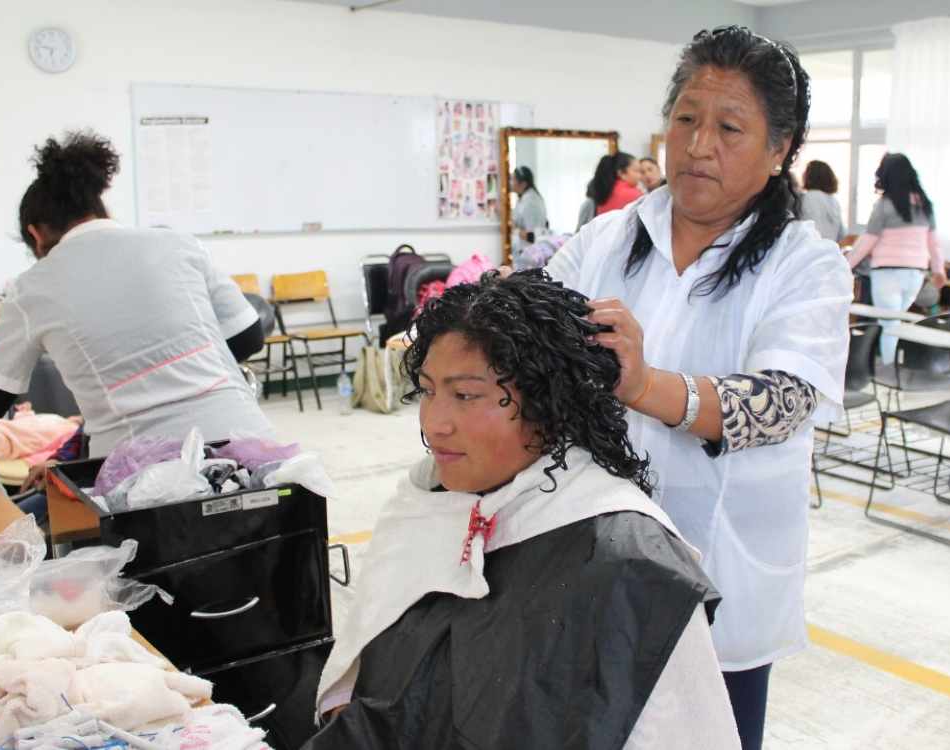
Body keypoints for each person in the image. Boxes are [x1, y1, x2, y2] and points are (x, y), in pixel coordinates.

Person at [546, 26, 851, 750]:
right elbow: (537, 330)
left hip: (723, 571)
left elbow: (780, 403)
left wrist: (649, 385)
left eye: (728, 127)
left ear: (779, 151)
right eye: (685, 118)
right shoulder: (608, 238)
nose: (696, 144)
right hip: (589, 562)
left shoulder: (804, 265)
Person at [307, 270, 741, 750]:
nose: (434, 424)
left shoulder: (629, 562)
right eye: (428, 391)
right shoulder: (419, 505)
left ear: (549, 402)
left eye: (466, 395)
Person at [0, 130, 273, 458]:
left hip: (143, 471)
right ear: (102, 211)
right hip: (250, 446)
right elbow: (248, 336)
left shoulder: (32, 287)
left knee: (36, 510)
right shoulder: (175, 243)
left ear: (35, 234)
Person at [844, 152, 945, 362]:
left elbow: (867, 242)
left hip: (887, 274)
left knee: (889, 326)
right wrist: (938, 270)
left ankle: (890, 371)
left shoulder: (884, 205)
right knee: (896, 324)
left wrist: (845, 266)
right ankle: (895, 366)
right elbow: (934, 243)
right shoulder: (925, 205)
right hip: (915, 274)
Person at [798, 160, 845, 243]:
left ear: (810, 177)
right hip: (828, 250)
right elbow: (841, 234)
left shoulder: (807, 197)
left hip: (810, 250)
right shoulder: (834, 201)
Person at [509, 166, 548, 267]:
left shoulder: (531, 202)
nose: (510, 182)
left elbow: (532, 235)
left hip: (530, 254)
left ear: (523, 183)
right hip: (524, 252)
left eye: (513, 179)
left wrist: (514, 230)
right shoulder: (523, 199)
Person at [590, 152, 644, 216]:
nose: (640, 176)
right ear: (621, 173)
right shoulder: (633, 194)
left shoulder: (605, 192)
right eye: (636, 170)